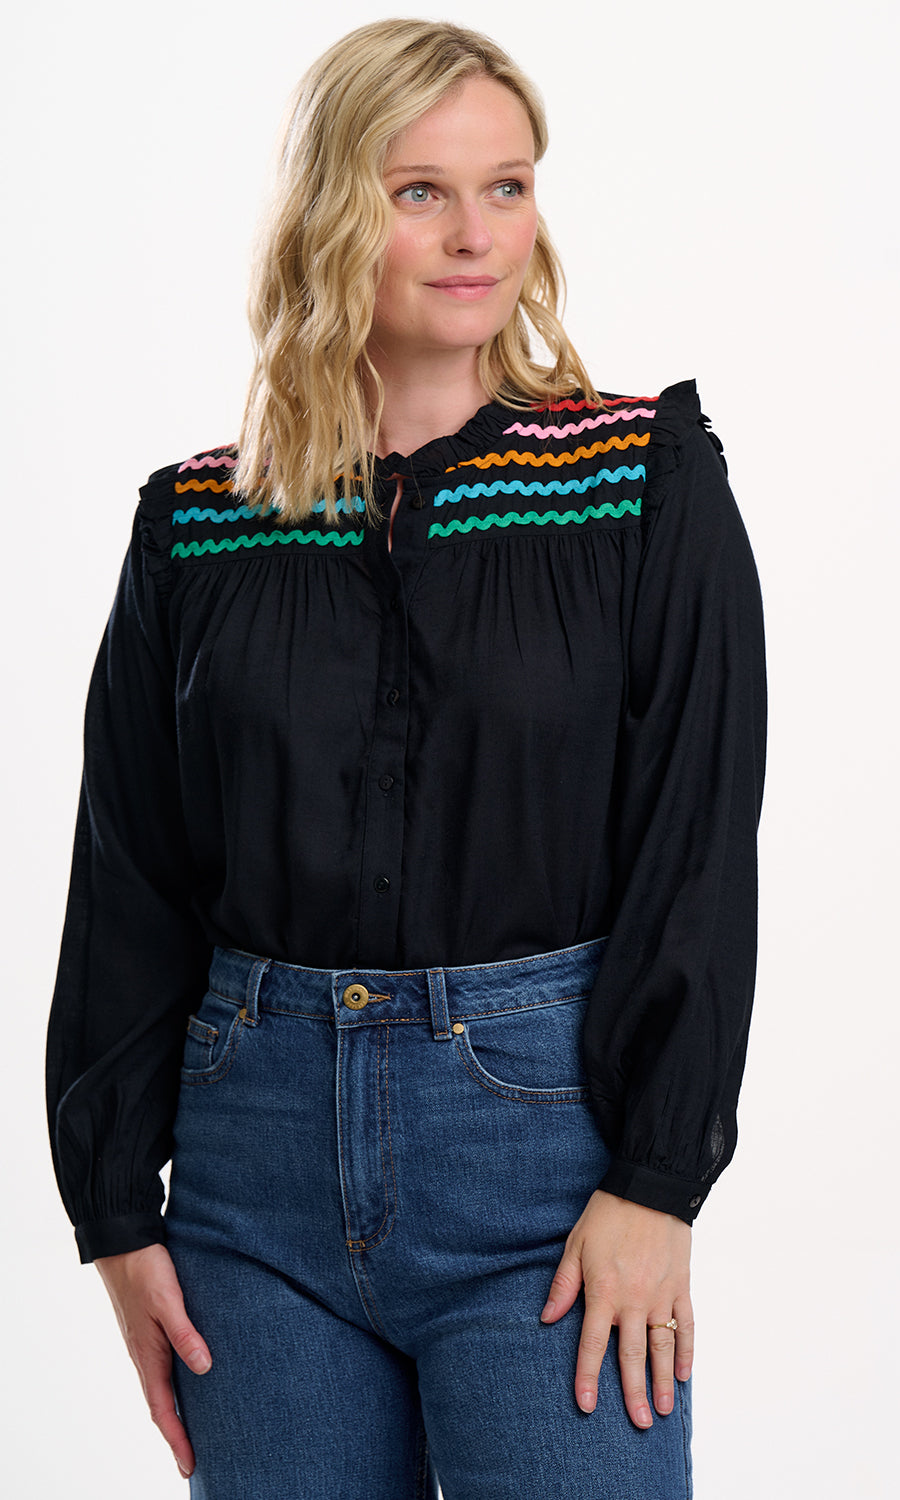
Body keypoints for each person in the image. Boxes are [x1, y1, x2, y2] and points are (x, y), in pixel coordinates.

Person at [45, 17, 766, 1499]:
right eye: (418, 190)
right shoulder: (197, 523)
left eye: (507, 187)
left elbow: (696, 846)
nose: (473, 235)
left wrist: (655, 1183)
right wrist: (116, 1211)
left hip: (548, 1186)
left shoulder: (640, 482)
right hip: (250, 1193)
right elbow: (129, 873)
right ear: (328, 211)